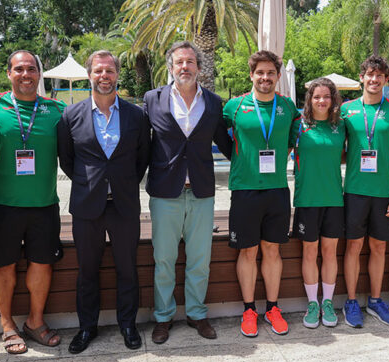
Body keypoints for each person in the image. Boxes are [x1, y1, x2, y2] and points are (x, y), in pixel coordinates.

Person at [57, 50, 150, 352]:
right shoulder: (71, 116)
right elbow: (67, 161)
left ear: (117, 75)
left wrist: (120, 183)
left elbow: (142, 160)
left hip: (124, 205)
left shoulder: (137, 115)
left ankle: (127, 324)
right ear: (89, 75)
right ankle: (87, 328)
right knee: (87, 270)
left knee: (127, 268)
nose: (104, 76)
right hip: (87, 206)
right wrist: (91, 183)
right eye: (98, 71)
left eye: (109, 71)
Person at [0, 51, 66, 353]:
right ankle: (6, 325)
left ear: (40, 75)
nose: (26, 74)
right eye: (19, 69)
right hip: (3, 205)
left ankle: (35, 322)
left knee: (43, 265)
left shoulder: (57, 110)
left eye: (31, 69)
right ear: (8, 73)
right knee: (3, 266)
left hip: (44, 205)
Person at [144, 41, 233, 344]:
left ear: (199, 67)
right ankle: (163, 317)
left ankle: (196, 313)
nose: (185, 67)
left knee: (199, 259)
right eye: (180, 62)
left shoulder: (213, 102)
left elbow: (227, 143)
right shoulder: (152, 100)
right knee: (164, 260)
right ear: (171, 67)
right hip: (165, 192)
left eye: (191, 62)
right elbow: (141, 144)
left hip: (201, 192)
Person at [223, 50, 299, 337]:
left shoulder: (288, 107)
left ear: (278, 76)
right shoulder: (234, 106)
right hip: (244, 190)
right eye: (260, 72)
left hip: (277, 190)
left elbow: (293, 140)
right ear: (251, 75)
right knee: (247, 250)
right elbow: (222, 135)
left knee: (272, 249)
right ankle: (248, 310)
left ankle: (273, 308)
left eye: (270, 73)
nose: (265, 77)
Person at [341, 56, 389, 327]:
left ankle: (374, 300)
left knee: (379, 247)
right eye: (369, 75)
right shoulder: (346, 110)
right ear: (362, 77)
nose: (374, 80)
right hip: (355, 191)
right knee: (353, 246)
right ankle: (351, 301)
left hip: (385, 193)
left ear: (386, 80)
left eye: (379, 76)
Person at [290, 78, 344, 328]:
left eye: (326, 96)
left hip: (333, 199)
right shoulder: (298, 126)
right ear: (309, 100)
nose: (321, 101)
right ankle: (313, 303)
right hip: (307, 200)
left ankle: (328, 303)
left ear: (333, 99)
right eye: (316, 97)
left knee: (329, 252)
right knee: (310, 252)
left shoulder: (341, 126)